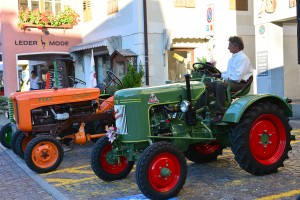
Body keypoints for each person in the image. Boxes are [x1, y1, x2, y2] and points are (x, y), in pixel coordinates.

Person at [206, 36, 253, 123]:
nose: (228, 48)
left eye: (230, 45)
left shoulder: (243, 59)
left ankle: (220, 114)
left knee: (220, 85)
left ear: (237, 46)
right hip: (232, 82)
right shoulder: (233, 58)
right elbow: (229, 73)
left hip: (240, 84)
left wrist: (221, 76)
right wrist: (219, 74)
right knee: (205, 85)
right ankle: (204, 110)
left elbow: (237, 78)